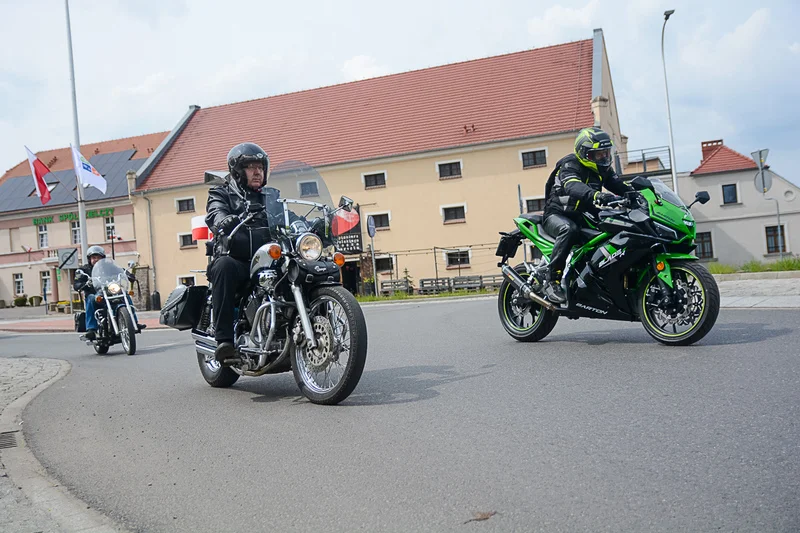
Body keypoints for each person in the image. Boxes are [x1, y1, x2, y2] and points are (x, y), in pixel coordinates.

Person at [205, 142, 299, 364]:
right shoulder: (222, 193)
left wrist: (307, 224)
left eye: (260, 167)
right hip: (239, 260)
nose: (257, 172)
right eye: (250, 167)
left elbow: (290, 215)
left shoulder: (271, 196)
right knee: (224, 266)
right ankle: (224, 340)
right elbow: (215, 212)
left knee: (301, 267)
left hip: (270, 259)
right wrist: (222, 220)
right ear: (238, 171)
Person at [542, 127, 635, 303]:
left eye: (606, 153)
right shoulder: (570, 164)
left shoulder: (603, 170)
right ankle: (552, 280)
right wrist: (597, 195)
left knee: (616, 227)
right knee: (569, 230)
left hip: (584, 215)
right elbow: (572, 185)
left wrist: (639, 193)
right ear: (584, 153)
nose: (604, 158)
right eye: (598, 154)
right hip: (557, 214)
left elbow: (619, 185)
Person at [74, 245, 144, 339]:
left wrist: (128, 275)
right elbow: (77, 283)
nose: (96, 260)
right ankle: (91, 329)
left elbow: (120, 271)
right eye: (93, 257)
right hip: (96, 294)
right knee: (90, 298)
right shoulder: (84, 270)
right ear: (89, 259)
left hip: (110, 291)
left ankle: (133, 322)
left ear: (102, 258)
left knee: (125, 295)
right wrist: (83, 284)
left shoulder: (109, 267)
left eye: (98, 257)